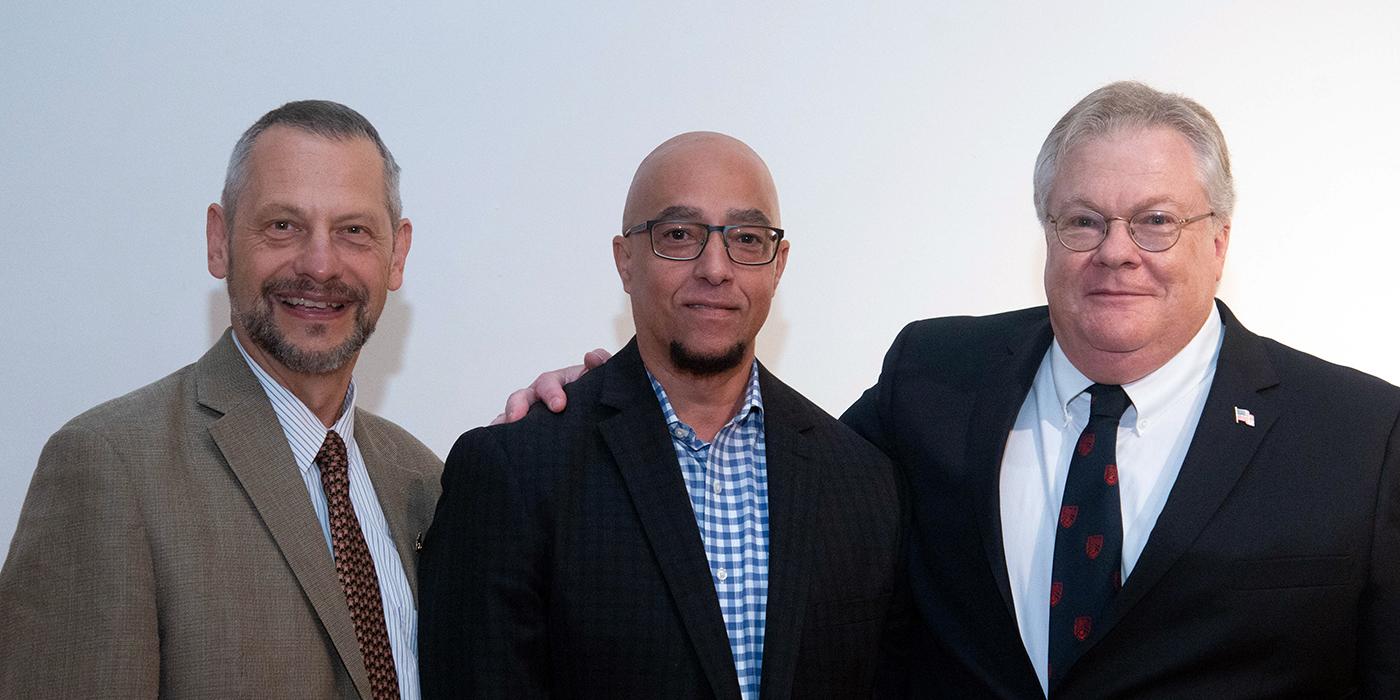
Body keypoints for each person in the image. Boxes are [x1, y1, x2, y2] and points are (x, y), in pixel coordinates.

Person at [499, 82, 1400, 697]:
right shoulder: (934, 382)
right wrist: (607, 403)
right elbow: (776, 466)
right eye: (1082, 220)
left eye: (1155, 221)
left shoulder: (1361, 439)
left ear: (1219, 238)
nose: (1116, 251)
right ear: (1046, 233)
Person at [418, 132, 905, 699]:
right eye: (680, 236)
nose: (716, 268)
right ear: (626, 261)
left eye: (747, 239)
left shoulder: (863, 480)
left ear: (778, 264)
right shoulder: (516, 469)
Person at [0, 100, 442, 699]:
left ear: (397, 255)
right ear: (219, 241)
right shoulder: (108, 467)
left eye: (353, 231)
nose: (319, 263)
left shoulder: (425, 481)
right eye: (283, 225)